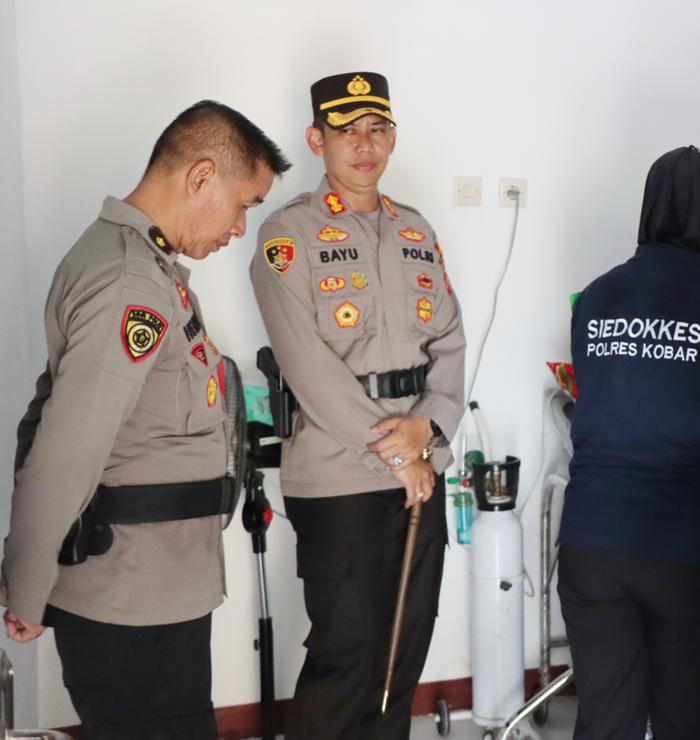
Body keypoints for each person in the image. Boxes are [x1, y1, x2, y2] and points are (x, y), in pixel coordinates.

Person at [1, 100, 289, 738]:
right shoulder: (131, 283)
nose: (240, 226)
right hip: (130, 600)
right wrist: (27, 582)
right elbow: (67, 445)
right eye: (243, 204)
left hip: (155, 589)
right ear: (201, 177)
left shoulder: (147, 270)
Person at [249, 71, 464, 739]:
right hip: (338, 474)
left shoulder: (415, 230)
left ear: (393, 137)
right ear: (317, 140)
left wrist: (428, 428)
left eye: (377, 129)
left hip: (420, 466)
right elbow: (307, 367)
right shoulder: (288, 234)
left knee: (402, 653)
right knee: (346, 654)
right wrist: (398, 452)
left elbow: (450, 343)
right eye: (346, 131)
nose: (364, 145)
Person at [559, 146, 700, 739]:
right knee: (688, 723)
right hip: (685, 550)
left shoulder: (595, 298)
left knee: (606, 723)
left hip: (590, 541)